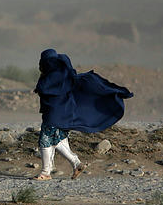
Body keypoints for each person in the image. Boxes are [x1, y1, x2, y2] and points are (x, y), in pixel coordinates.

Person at [32, 49, 132, 180]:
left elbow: (43, 88)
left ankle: (45, 173)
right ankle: (76, 164)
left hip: (54, 114)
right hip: (64, 114)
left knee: (45, 141)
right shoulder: (65, 73)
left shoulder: (52, 74)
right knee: (59, 140)